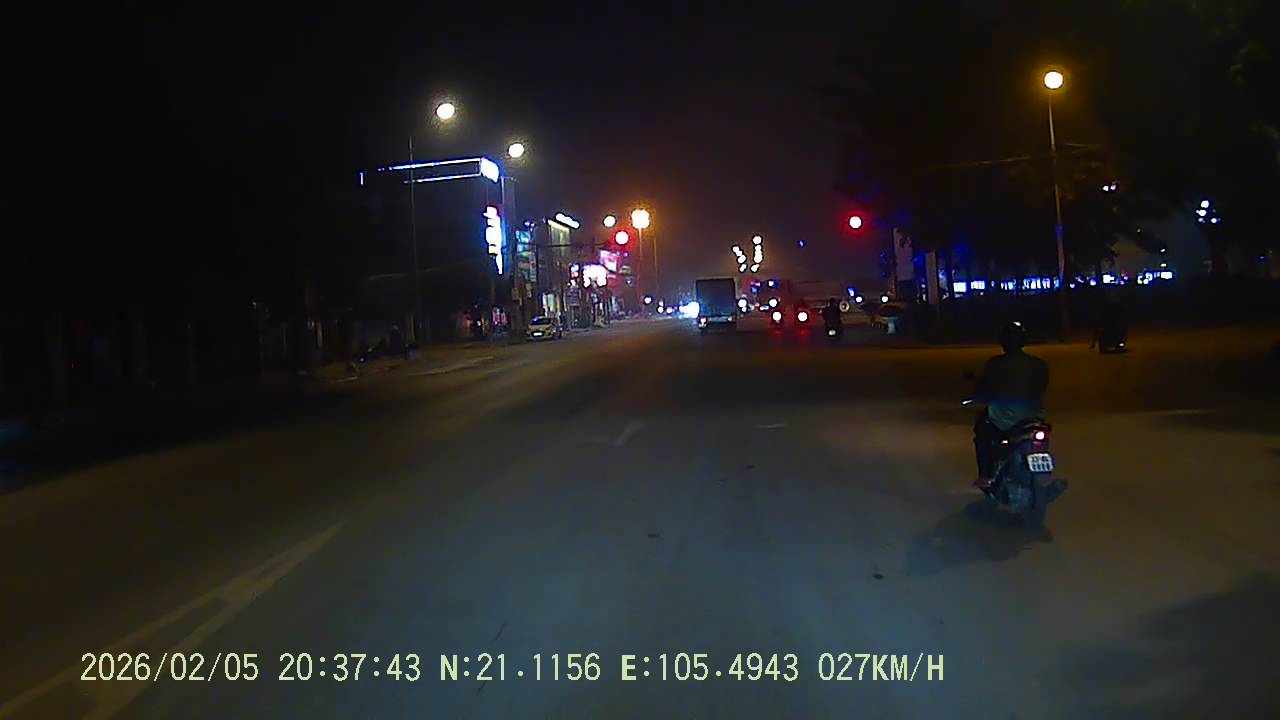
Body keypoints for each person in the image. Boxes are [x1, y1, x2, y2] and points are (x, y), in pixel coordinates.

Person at [972, 321, 1049, 488]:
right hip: (1034, 417)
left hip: (1002, 419)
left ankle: (986, 475)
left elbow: (984, 387)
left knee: (982, 434)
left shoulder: (994, 364)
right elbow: (1042, 387)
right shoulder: (1038, 364)